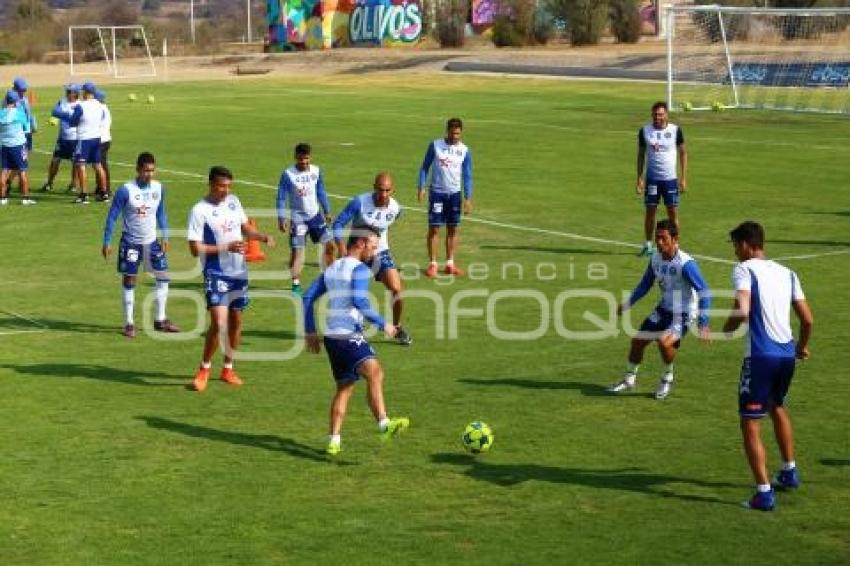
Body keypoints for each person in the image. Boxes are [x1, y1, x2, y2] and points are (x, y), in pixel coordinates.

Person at [722, 221, 813, 511]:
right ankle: (789, 470)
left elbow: (744, 308)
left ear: (747, 244)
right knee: (777, 406)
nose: (736, 252)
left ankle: (763, 493)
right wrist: (801, 346)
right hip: (787, 356)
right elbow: (808, 319)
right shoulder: (788, 273)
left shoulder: (745, 269)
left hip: (760, 357)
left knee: (749, 423)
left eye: (736, 246)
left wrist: (726, 328)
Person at [303, 226, 410, 455]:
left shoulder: (332, 268)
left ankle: (334, 440)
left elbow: (307, 297)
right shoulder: (360, 269)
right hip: (348, 335)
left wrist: (310, 330)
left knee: (345, 388)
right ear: (360, 243)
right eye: (373, 246)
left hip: (332, 337)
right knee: (375, 372)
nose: (375, 251)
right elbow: (360, 302)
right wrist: (386, 324)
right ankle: (384, 424)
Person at [187, 166, 275, 392]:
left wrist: (261, 236)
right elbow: (195, 249)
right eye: (221, 186)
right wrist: (226, 247)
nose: (225, 190)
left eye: (228, 186)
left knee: (236, 322)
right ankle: (203, 369)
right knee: (218, 323)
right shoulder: (199, 210)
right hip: (216, 273)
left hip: (239, 273)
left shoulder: (234, 201)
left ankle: (228, 368)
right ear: (210, 184)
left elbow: (245, 228)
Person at [609, 219, 711, 399]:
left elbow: (704, 290)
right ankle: (628, 379)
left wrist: (704, 323)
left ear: (675, 239)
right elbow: (645, 284)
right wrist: (628, 303)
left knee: (665, 343)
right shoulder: (655, 258)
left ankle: (667, 378)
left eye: (664, 238)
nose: (659, 242)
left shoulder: (685, 264)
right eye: (657, 238)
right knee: (638, 340)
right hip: (664, 308)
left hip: (684, 313)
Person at [102, 152, 179, 338]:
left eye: (152, 171)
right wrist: (107, 241)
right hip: (131, 243)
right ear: (138, 170)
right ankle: (129, 323)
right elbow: (113, 216)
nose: (149, 174)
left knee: (163, 277)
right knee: (130, 280)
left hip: (151, 242)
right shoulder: (125, 190)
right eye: (146, 171)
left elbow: (161, 213)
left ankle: (160, 319)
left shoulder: (159, 188)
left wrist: (165, 235)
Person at [333, 172, 411, 346]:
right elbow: (338, 224)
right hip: (358, 251)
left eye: (387, 190)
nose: (383, 194)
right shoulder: (359, 202)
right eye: (380, 190)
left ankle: (397, 328)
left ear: (392, 190)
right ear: (374, 188)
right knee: (349, 295)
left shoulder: (395, 208)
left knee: (397, 289)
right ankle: (343, 328)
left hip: (379, 251)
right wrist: (342, 248)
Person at [276, 142, 334, 295]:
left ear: (310, 157)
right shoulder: (288, 174)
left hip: (315, 216)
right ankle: (295, 284)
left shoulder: (316, 171)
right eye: (301, 159)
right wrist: (281, 218)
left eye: (306, 158)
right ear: (295, 157)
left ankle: (330, 279)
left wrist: (327, 210)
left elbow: (321, 191)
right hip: (298, 219)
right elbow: (281, 197)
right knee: (298, 252)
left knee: (329, 246)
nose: (304, 162)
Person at [417, 117, 473, 277]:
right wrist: (421, 187)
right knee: (434, 228)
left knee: (453, 228)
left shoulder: (464, 150)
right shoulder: (435, 145)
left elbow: (468, 175)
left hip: (455, 195)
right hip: (437, 194)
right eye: (453, 133)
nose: (455, 136)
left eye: (458, 134)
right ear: (447, 131)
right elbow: (424, 167)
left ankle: (450, 263)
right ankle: (433, 264)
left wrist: (468, 197)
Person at [636, 101, 687, 256]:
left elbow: (683, 153)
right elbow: (641, 155)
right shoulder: (645, 131)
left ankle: (675, 245)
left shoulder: (675, 130)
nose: (657, 117)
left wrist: (683, 178)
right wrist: (639, 178)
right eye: (655, 114)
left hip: (670, 179)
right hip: (652, 179)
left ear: (666, 115)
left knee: (672, 212)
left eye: (660, 114)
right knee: (650, 211)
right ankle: (647, 245)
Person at [53, 81, 107, 204]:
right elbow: (102, 118)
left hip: (84, 139)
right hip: (96, 138)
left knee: (81, 166)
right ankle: (104, 194)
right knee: (98, 165)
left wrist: (64, 115)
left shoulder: (81, 106)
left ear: (85, 92)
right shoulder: (99, 105)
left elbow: (72, 122)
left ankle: (83, 195)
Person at [43, 84, 81, 194]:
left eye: (69, 91)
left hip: (75, 138)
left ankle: (73, 184)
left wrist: (64, 115)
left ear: (75, 93)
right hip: (62, 138)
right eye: (67, 91)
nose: (67, 93)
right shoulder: (61, 101)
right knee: (55, 160)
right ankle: (49, 183)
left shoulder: (80, 105)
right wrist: (62, 116)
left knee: (76, 163)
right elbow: (54, 112)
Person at [0, 90, 36, 206]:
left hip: (5, 146)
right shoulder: (19, 113)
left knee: (4, 171)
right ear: (16, 102)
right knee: (22, 171)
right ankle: (25, 198)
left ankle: (2, 198)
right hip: (18, 146)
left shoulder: (1, 113)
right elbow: (27, 129)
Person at [95, 89, 112, 200]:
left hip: (101, 140)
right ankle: (100, 187)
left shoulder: (100, 109)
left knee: (101, 165)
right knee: (99, 164)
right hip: (104, 139)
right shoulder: (104, 108)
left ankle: (106, 189)